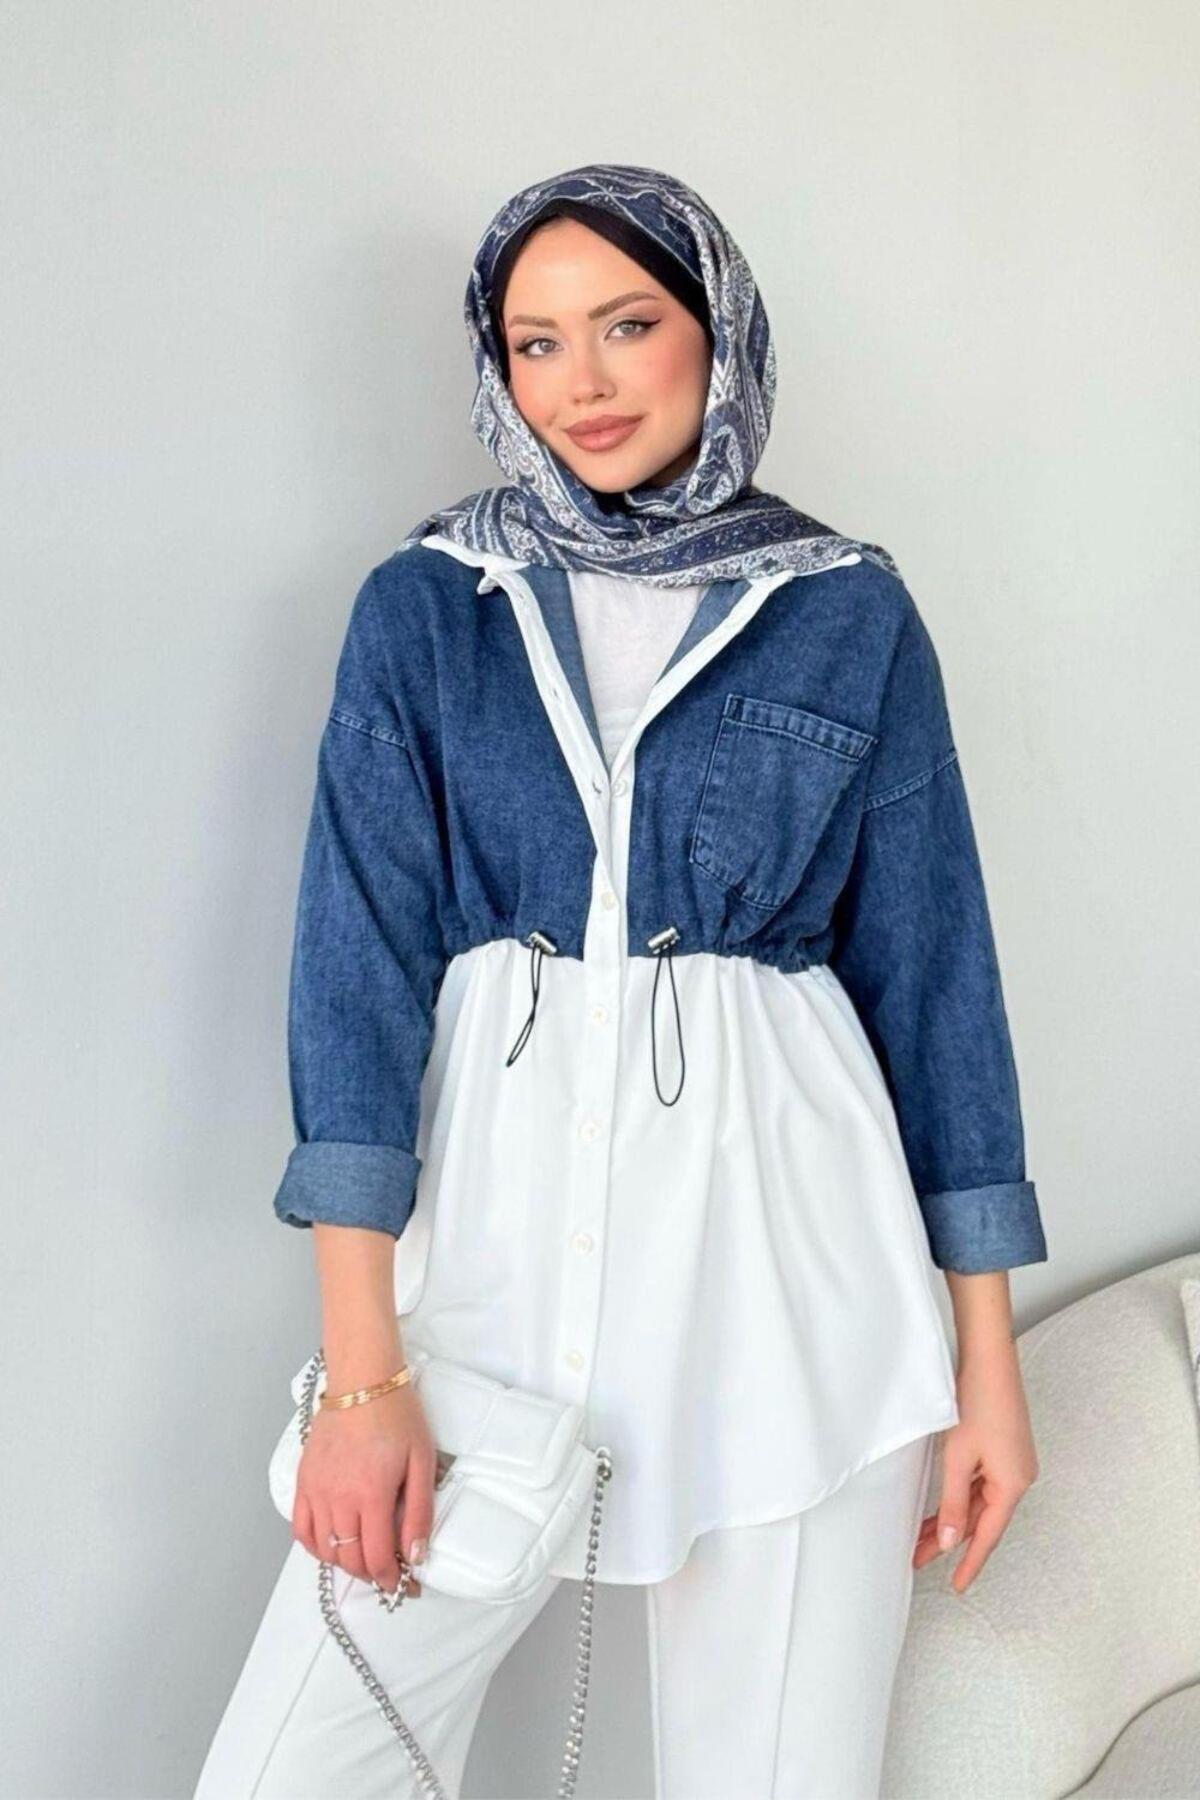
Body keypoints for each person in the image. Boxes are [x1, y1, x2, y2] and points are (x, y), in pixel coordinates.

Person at [194, 162, 1049, 1800]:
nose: (580, 382)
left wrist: (983, 1369)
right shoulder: (427, 609)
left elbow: (940, 986)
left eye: (628, 325)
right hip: (490, 1291)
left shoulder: (844, 609)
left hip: (797, 1301)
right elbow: (352, 983)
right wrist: (364, 1374)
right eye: (536, 342)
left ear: (716, 336)